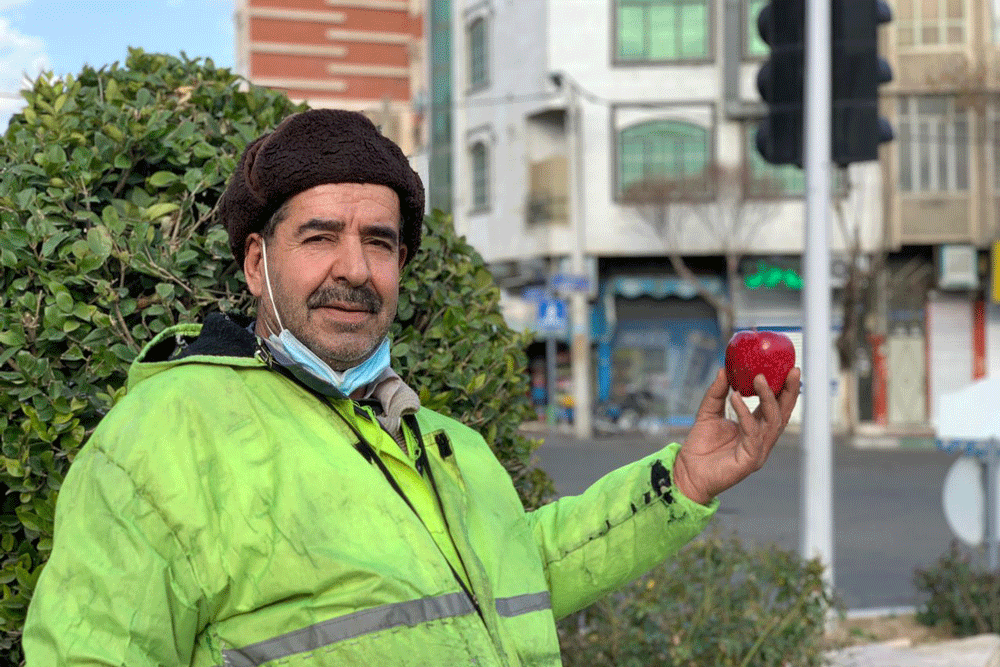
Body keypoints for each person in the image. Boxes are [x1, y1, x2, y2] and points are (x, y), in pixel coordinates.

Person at [22, 109, 800, 667]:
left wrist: (687, 479)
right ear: (257, 264)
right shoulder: (165, 433)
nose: (354, 269)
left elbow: (523, 571)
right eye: (320, 236)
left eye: (379, 243)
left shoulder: (443, 444)